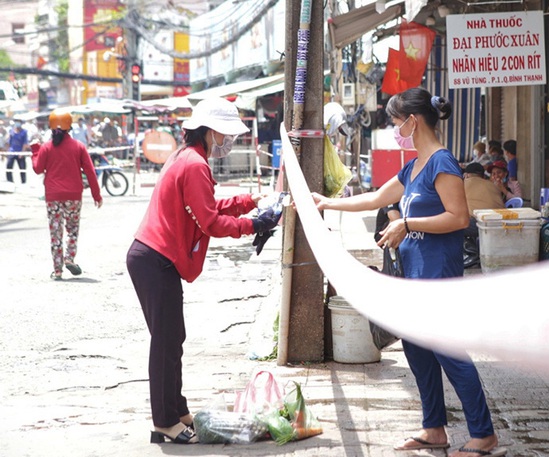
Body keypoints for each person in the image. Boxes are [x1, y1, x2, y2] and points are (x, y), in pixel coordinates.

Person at [312, 88, 506, 457]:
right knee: (417, 352)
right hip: (413, 277)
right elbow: (374, 198)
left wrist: (408, 223)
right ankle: (434, 429)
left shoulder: (442, 163)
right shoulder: (413, 165)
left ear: (414, 121)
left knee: (450, 353)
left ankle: (484, 435)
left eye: (397, 122)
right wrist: (326, 202)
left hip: (437, 277)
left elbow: (459, 218)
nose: (395, 128)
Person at [125, 97, 280, 445]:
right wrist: (253, 224)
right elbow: (210, 221)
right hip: (155, 258)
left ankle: (177, 411)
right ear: (211, 132)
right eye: (226, 134)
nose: (229, 142)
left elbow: (205, 206)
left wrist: (249, 202)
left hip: (152, 257)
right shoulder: (194, 164)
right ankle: (164, 421)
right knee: (165, 343)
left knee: (172, 339)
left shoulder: (187, 157)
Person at [30, 110, 103, 280]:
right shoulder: (78, 146)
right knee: (72, 230)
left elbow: (37, 168)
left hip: (53, 196)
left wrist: (35, 150)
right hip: (73, 196)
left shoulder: (46, 147)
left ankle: (57, 270)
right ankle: (69, 258)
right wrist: (96, 195)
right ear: (70, 126)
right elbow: (90, 172)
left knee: (55, 232)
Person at [463, 162, 504, 269]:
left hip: (480, 225)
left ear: (466, 175)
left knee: (454, 223)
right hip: (501, 224)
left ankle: (472, 253)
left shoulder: (462, 184)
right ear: (482, 175)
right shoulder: (492, 185)